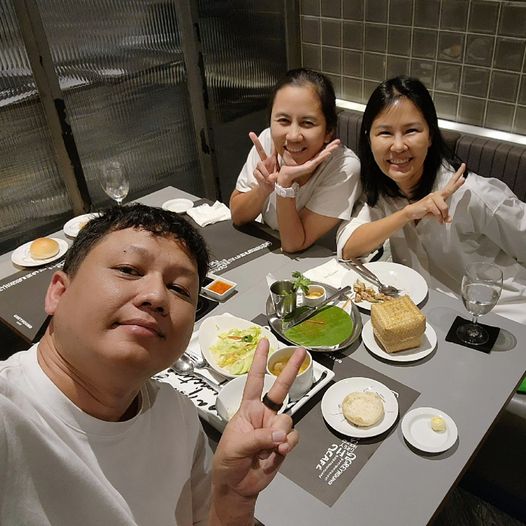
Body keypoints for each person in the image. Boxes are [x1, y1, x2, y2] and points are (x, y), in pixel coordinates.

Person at [0, 204, 305, 525]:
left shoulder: (177, 413)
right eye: (129, 270)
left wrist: (233, 500)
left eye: (179, 288)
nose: (156, 296)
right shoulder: (10, 418)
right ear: (59, 292)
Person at [337, 75, 526, 324]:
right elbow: (347, 248)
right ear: (369, 138)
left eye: (411, 131)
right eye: (385, 132)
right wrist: (407, 213)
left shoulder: (475, 195)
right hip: (437, 316)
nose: (398, 146)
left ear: (430, 136)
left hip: (504, 316)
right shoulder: (384, 190)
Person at [230, 68, 361, 253]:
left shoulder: (344, 167)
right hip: (270, 251)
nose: (293, 136)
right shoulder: (267, 142)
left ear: (328, 131)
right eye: (283, 120)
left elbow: (293, 244)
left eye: (307, 123)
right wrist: (263, 189)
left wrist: (284, 184)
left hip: (321, 263)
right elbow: (237, 216)